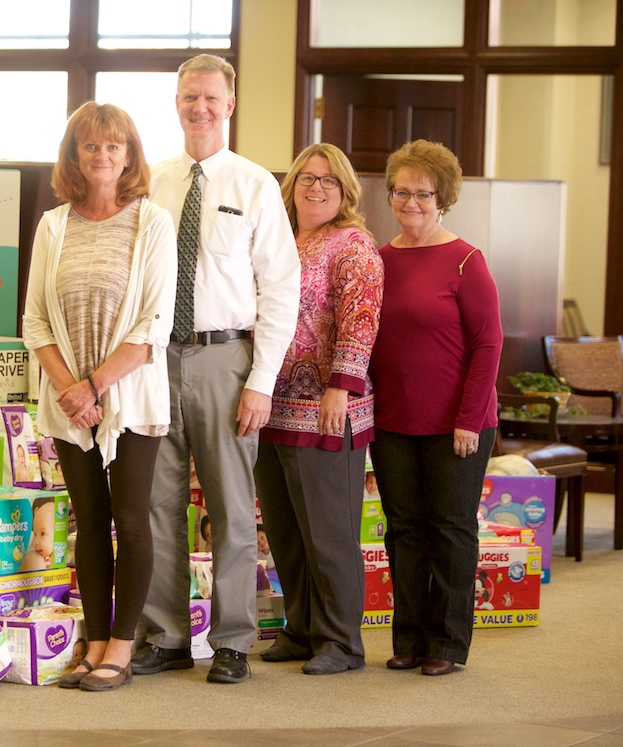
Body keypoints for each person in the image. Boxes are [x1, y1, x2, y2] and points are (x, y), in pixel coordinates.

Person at [133, 53, 300, 686]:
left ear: (229, 105)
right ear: (176, 104)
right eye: (188, 97)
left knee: (231, 506)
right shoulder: (149, 181)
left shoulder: (255, 185)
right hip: (154, 359)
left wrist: (261, 381)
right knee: (158, 502)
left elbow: (281, 288)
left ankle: (232, 639)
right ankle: (168, 634)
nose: (198, 107)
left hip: (228, 359)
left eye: (210, 98)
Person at [23, 100, 176, 692]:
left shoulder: (151, 223)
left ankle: (122, 646)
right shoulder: (54, 225)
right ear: (74, 157)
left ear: (130, 155)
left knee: (132, 520)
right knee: (88, 522)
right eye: (91, 146)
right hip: (69, 403)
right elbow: (35, 321)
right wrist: (71, 391)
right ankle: (91, 639)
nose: (103, 155)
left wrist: (95, 386)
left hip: (130, 397)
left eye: (115, 146)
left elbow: (152, 326)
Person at [368, 139, 502, 677]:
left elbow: (489, 345)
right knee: (403, 530)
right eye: (401, 191)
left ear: (442, 197)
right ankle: (408, 638)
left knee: (449, 529)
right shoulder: (379, 259)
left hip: (457, 426)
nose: (411, 202)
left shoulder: (467, 260)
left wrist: (468, 420)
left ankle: (446, 644)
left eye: (422, 192)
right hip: (393, 422)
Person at [252, 142, 384, 675]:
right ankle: (302, 629)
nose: (315, 187)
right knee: (286, 531)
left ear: (345, 190)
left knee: (328, 533)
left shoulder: (353, 245)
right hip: (271, 405)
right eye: (307, 177)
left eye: (328, 180)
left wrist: (341, 387)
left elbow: (362, 317)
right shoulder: (279, 241)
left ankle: (342, 642)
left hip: (329, 408)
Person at [19, 496, 55, 571]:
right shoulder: (35, 558)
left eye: (42, 534)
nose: (36, 542)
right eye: (35, 534)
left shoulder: (46, 556)